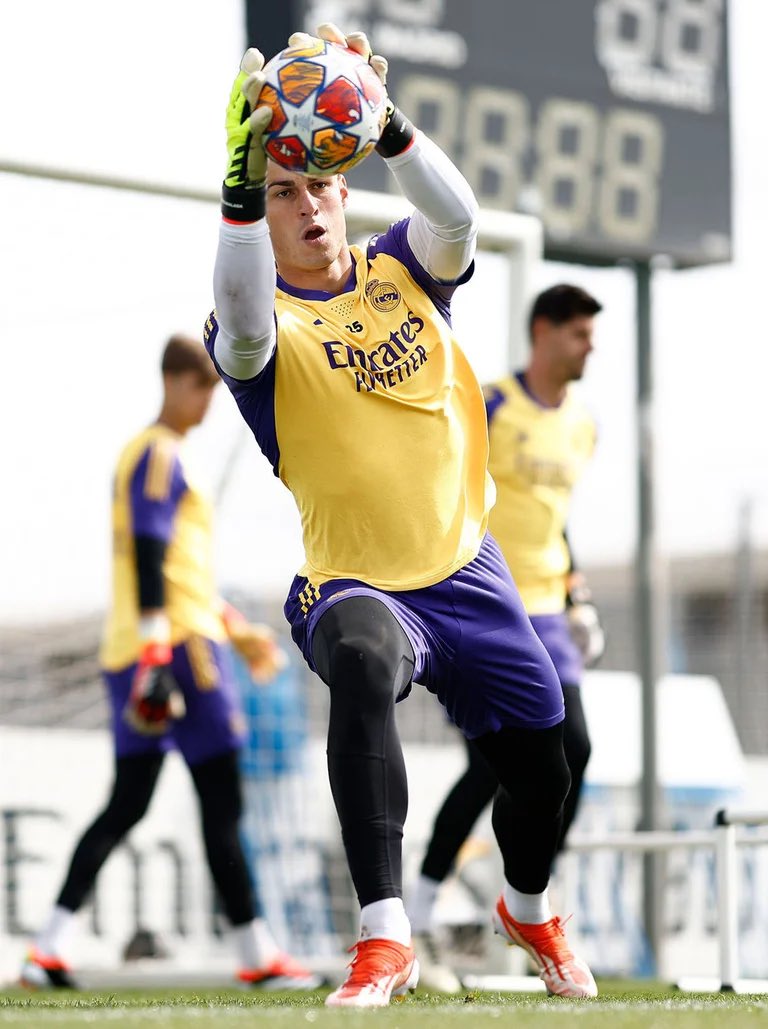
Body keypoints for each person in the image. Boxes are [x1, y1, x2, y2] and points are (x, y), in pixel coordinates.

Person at [205, 23, 598, 1007]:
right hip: (355, 581)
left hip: (469, 571)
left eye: (318, 187)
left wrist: (387, 126)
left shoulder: (404, 269)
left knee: (548, 767)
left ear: (344, 188)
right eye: (286, 192)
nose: (307, 207)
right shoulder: (258, 328)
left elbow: (459, 220)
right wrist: (241, 189)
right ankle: (385, 936)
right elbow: (245, 316)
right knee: (363, 664)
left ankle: (529, 906)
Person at [20, 334, 320, 991]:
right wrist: (163, 653)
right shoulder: (159, 453)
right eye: (206, 387)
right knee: (223, 799)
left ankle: (47, 948)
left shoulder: (150, 454)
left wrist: (238, 632)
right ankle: (258, 953)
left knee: (128, 802)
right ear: (176, 381)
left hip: (142, 646)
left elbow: (179, 570)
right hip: (178, 651)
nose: (211, 402)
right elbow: (154, 556)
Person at [408, 284, 606, 992]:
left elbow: (555, 516)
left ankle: (526, 892)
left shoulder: (583, 423)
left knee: (573, 751)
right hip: (491, 605)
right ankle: (421, 909)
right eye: (580, 333)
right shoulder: (488, 404)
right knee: (492, 766)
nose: (590, 346)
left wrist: (579, 589)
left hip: (553, 611)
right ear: (544, 331)